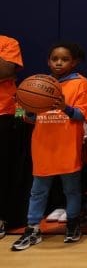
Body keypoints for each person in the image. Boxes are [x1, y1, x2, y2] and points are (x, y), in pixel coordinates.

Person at [11, 43, 87, 250]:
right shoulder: (34, 84)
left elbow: (84, 115)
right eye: (54, 58)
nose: (58, 62)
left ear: (74, 62)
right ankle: (33, 228)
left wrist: (65, 108)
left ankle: (73, 223)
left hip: (67, 145)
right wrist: (25, 112)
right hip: (42, 146)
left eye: (64, 59)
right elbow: (20, 114)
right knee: (38, 191)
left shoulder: (80, 83)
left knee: (72, 190)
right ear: (48, 61)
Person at [0, 33, 25, 238]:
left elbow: (5, 70)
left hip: (5, 114)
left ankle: (3, 217)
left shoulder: (8, 43)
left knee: (4, 169)